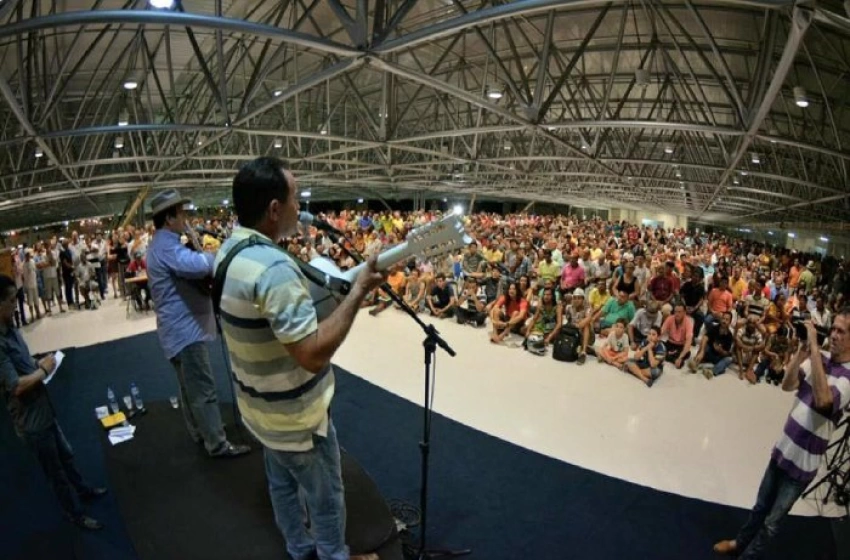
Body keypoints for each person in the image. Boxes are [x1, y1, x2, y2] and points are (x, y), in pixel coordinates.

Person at [214, 157, 383, 560]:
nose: (300, 207)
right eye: (295, 198)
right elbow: (310, 353)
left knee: (282, 486)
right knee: (326, 501)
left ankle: (299, 548)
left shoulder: (231, 249)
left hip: (260, 411)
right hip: (296, 420)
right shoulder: (274, 269)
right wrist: (357, 295)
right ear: (274, 209)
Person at [714, 312, 850, 559]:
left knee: (771, 523)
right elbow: (787, 385)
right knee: (759, 508)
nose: (834, 335)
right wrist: (802, 351)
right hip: (783, 448)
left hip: (802, 467)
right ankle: (739, 543)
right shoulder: (821, 358)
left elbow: (823, 402)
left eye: (841, 332)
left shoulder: (847, 377)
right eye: (834, 329)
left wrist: (816, 352)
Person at [146, 188, 250, 459]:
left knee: (189, 388)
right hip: (185, 331)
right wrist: (214, 256)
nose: (185, 217)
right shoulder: (167, 245)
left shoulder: (160, 243)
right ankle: (216, 442)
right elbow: (196, 266)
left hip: (176, 330)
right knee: (202, 388)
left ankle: (201, 431)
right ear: (169, 218)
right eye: (180, 213)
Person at [0, 274, 107, 530]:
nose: (17, 305)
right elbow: (16, 386)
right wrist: (44, 371)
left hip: (43, 408)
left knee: (66, 455)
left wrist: (38, 364)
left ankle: (82, 490)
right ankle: (75, 513)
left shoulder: (11, 329)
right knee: (55, 472)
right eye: (12, 300)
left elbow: (23, 364)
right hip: (31, 419)